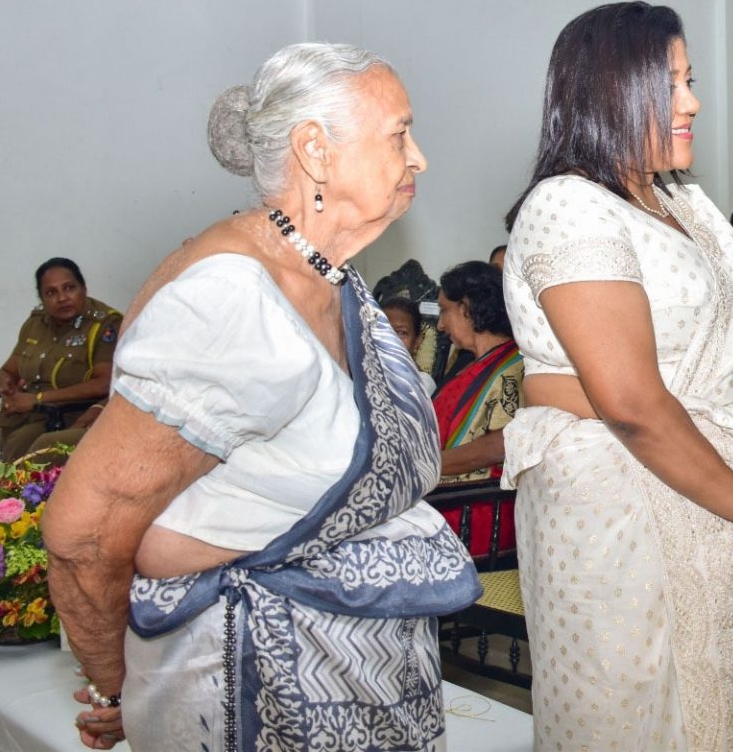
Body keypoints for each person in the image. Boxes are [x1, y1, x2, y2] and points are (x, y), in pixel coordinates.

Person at [43, 43, 479, 751]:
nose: (419, 157)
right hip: (256, 684)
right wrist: (117, 682)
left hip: (356, 671)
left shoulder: (323, 270)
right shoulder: (233, 300)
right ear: (315, 151)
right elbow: (85, 532)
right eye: (399, 134)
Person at [500, 1, 733, 751]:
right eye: (670, 83)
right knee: (640, 715)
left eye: (690, 81)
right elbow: (631, 402)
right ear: (609, 91)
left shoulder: (682, 199)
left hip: (724, 496)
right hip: (623, 510)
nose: (691, 102)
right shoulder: (568, 205)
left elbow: (732, 365)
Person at [432, 260, 522, 556]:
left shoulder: (514, 367)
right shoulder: (471, 364)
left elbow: (501, 445)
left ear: (467, 307)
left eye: (444, 310)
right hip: (446, 497)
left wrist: (424, 468)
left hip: (477, 508)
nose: (440, 325)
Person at [0, 258, 122, 462]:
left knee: (26, 446)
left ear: (84, 288)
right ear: (41, 298)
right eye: (51, 292)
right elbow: (8, 370)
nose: (62, 298)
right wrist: (6, 386)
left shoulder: (104, 325)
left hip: (72, 414)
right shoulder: (36, 322)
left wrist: (38, 399)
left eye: (69, 288)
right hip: (29, 412)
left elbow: (105, 383)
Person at [381, 294, 436, 396]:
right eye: (385, 329)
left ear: (417, 341)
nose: (391, 338)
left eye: (402, 333)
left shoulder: (422, 383)